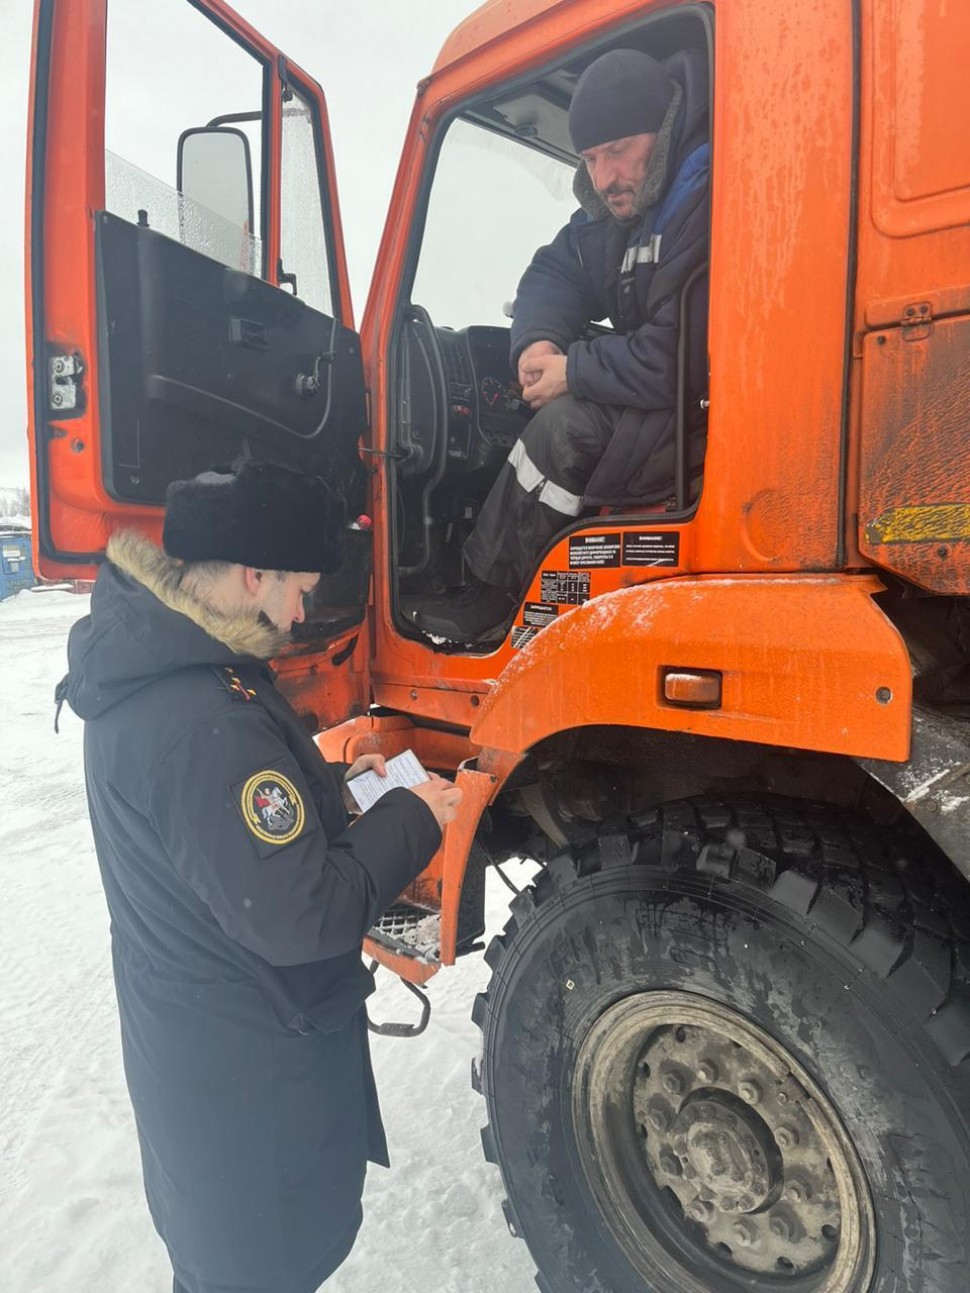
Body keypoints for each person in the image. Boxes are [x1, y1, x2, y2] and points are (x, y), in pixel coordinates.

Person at [57, 460, 462, 1293]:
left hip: (207, 1070)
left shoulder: (168, 673)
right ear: (253, 575)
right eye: (299, 589)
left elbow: (227, 848)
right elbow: (302, 911)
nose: (304, 610)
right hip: (248, 1096)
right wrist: (418, 813)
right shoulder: (205, 719)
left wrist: (344, 791)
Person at [407, 47, 710, 642]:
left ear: (665, 127)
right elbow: (557, 270)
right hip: (667, 399)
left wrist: (572, 372)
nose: (604, 178)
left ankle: (492, 598)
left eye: (618, 151)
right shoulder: (623, 205)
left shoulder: (697, 198)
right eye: (591, 158)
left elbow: (679, 358)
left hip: (699, 412)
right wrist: (537, 345)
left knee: (563, 430)